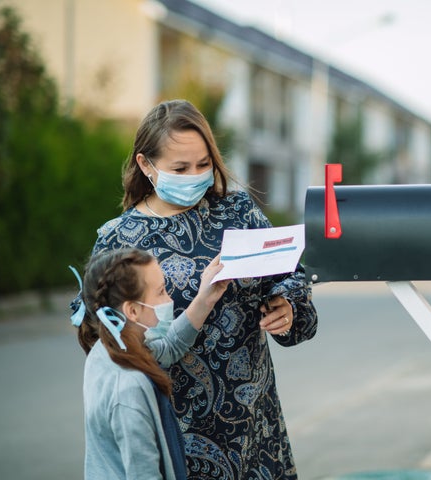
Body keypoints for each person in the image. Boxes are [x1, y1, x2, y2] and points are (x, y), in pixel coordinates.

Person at [91, 99, 319, 479]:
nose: (195, 176)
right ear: (147, 166)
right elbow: (99, 338)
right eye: (180, 168)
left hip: (253, 430)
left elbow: (294, 276)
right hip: (171, 430)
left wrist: (289, 306)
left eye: (203, 164)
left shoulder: (238, 212)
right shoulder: (118, 240)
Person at [72, 247, 229, 480]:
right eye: (161, 291)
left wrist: (205, 299)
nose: (169, 299)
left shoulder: (110, 346)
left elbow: (169, 347)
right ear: (133, 310)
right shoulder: (128, 390)